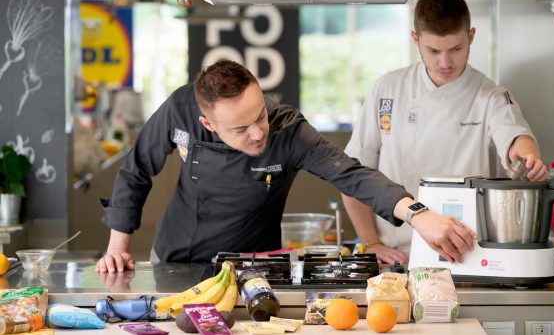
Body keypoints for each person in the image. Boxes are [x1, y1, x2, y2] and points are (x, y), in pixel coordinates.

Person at [96, 59, 477, 273]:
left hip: (254, 267)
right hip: (176, 257)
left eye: (259, 115)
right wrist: (117, 248)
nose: (259, 133)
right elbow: (136, 169)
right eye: (241, 129)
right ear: (207, 123)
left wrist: (418, 214)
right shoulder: (180, 109)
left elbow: (351, 173)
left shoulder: (288, 130)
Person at [342, 0, 548, 265]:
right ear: (416, 40)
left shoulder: (489, 96)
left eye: (456, 49)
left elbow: (515, 139)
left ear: (471, 36)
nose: (445, 62)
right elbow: (352, 175)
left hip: (465, 255)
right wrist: (371, 243)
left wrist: (528, 159)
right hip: (396, 257)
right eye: (433, 50)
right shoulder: (388, 90)